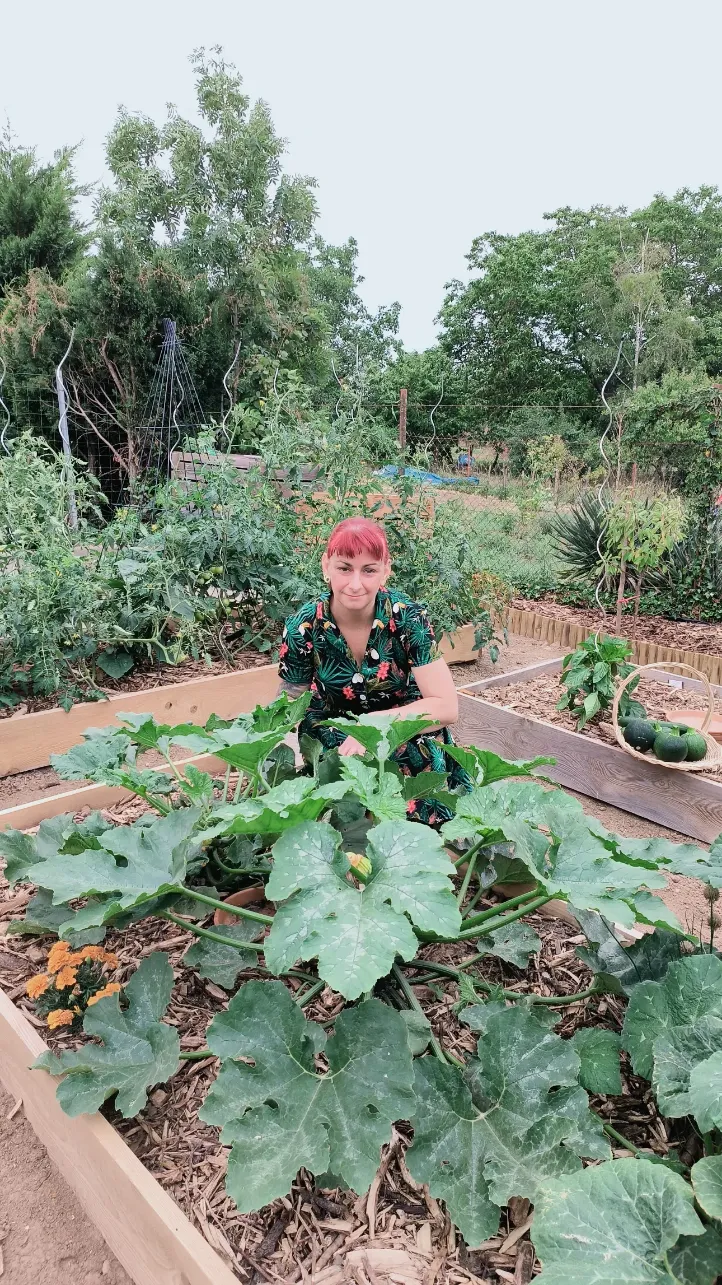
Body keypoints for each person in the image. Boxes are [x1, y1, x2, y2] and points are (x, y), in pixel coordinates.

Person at [277, 516, 471, 824]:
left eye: (368, 570)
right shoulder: (303, 627)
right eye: (344, 568)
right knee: (348, 838)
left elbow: (447, 707)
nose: (355, 584)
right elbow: (288, 705)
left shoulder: (409, 620)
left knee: (438, 842)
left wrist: (375, 724)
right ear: (326, 566)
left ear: (385, 570)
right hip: (337, 740)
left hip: (406, 735)